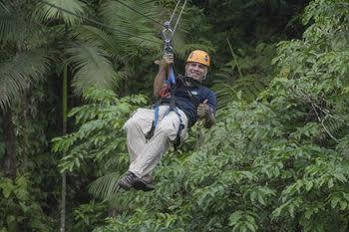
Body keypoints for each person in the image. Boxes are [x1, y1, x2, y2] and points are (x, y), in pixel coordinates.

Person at [118, 50, 217, 191]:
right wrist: (163, 67)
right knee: (132, 123)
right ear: (186, 67)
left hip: (181, 117)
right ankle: (145, 176)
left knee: (165, 128)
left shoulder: (207, 93)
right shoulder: (175, 81)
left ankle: (134, 173)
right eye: (193, 65)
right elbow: (157, 92)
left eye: (201, 67)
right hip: (160, 109)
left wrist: (207, 113)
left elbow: (210, 123)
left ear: (205, 72)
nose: (196, 69)